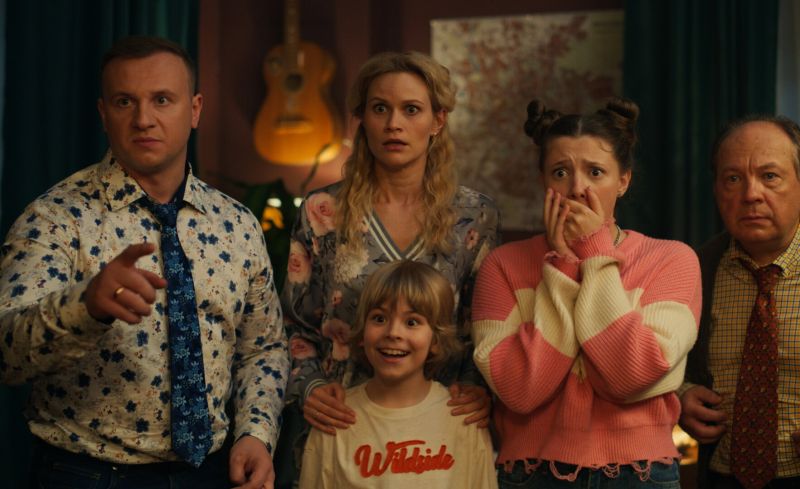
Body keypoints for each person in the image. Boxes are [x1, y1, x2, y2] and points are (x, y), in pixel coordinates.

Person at [0, 36, 288, 489]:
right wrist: (84, 307)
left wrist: (256, 432)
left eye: (162, 100)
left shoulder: (237, 225)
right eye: (124, 102)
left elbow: (263, 348)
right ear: (103, 114)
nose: (143, 119)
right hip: (86, 474)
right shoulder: (55, 219)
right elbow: (6, 354)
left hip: (211, 474)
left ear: (194, 110)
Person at [278, 51, 499, 485]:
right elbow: (292, 325)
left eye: (411, 109)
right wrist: (310, 387)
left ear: (437, 120)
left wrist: (476, 388)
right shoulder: (323, 212)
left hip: (435, 433)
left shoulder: (474, 216)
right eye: (380, 108)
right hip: (340, 426)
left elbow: (481, 327)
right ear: (363, 118)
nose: (394, 123)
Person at [471, 97, 702, 488]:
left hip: (640, 473)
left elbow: (629, 375)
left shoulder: (672, 260)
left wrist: (595, 253)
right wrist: (562, 265)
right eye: (560, 172)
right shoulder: (503, 266)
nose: (577, 189)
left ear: (623, 181)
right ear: (543, 180)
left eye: (596, 172)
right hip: (531, 472)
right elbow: (521, 391)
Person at [297, 260, 498, 488]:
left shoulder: (465, 420)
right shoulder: (333, 418)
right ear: (362, 333)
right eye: (379, 319)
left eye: (412, 322)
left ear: (436, 340)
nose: (393, 332)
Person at [679, 116, 800, 489]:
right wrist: (680, 397)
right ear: (717, 190)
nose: (751, 194)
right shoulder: (692, 269)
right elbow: (659, 366)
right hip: (720, 476)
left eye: (770, 176)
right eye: (733, 179)